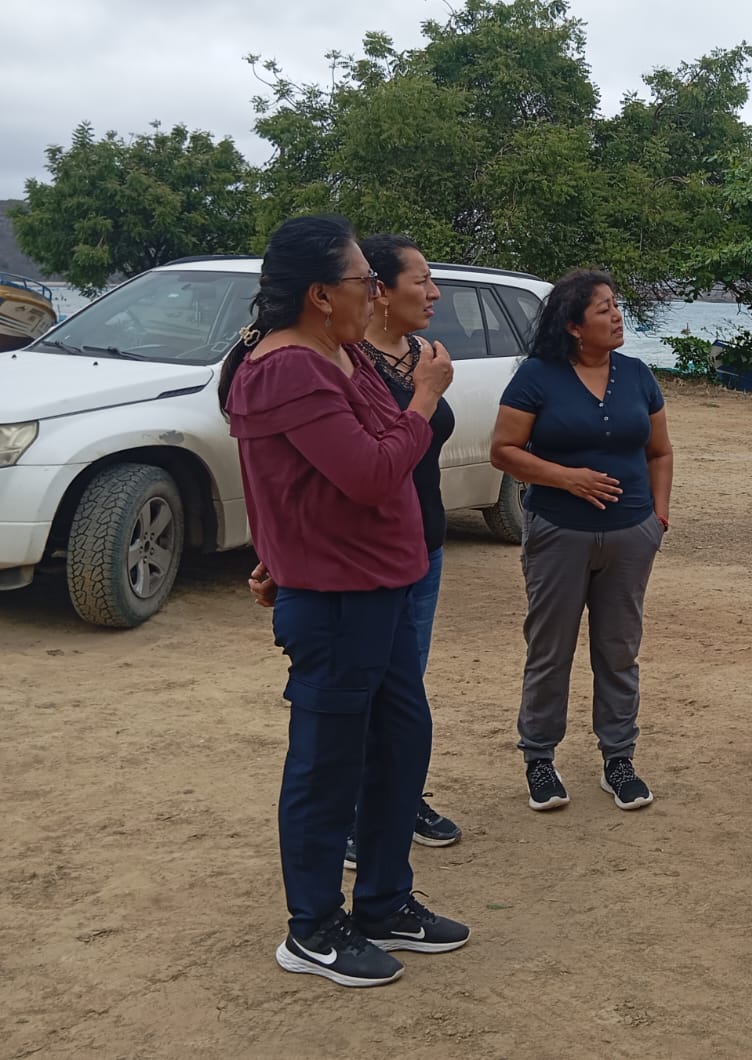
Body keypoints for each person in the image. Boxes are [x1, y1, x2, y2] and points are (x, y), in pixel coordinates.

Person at [221, 214, 470, 987]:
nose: (376, 293)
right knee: (327, 763)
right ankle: (313, 928)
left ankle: (384, 902)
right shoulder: (286, 367)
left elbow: (338, 463)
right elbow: (368, 472)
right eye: (365, 281)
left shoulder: (343, 351)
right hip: (335, 598)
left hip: (380, 585)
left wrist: (278, 551)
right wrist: (424, 398)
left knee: (400, 741)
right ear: (320, 294)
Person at [490, 270, 673, 813]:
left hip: (631, 534)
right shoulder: (537, 376)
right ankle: (539, 759)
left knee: (619, 650)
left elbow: (660, 451)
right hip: (558, 532)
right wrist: (566, 478)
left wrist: (658, 517)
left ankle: (619, 759)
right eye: (603, 309)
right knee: (551, 649)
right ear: (573, 326)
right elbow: (503, 450)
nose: (617, 316)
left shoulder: (638, 375)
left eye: (616, 305)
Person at [350, 234, 461, 855]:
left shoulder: (427, 355)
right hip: (370, 551)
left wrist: (430, 386)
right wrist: (426, 393)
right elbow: (370, 458)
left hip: (427, 544)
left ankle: (400, 796)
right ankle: (353, 812)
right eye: (421, 281)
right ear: (381, 291)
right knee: (364, 683)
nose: (434, 293)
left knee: (407, 685)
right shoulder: (348, 363)